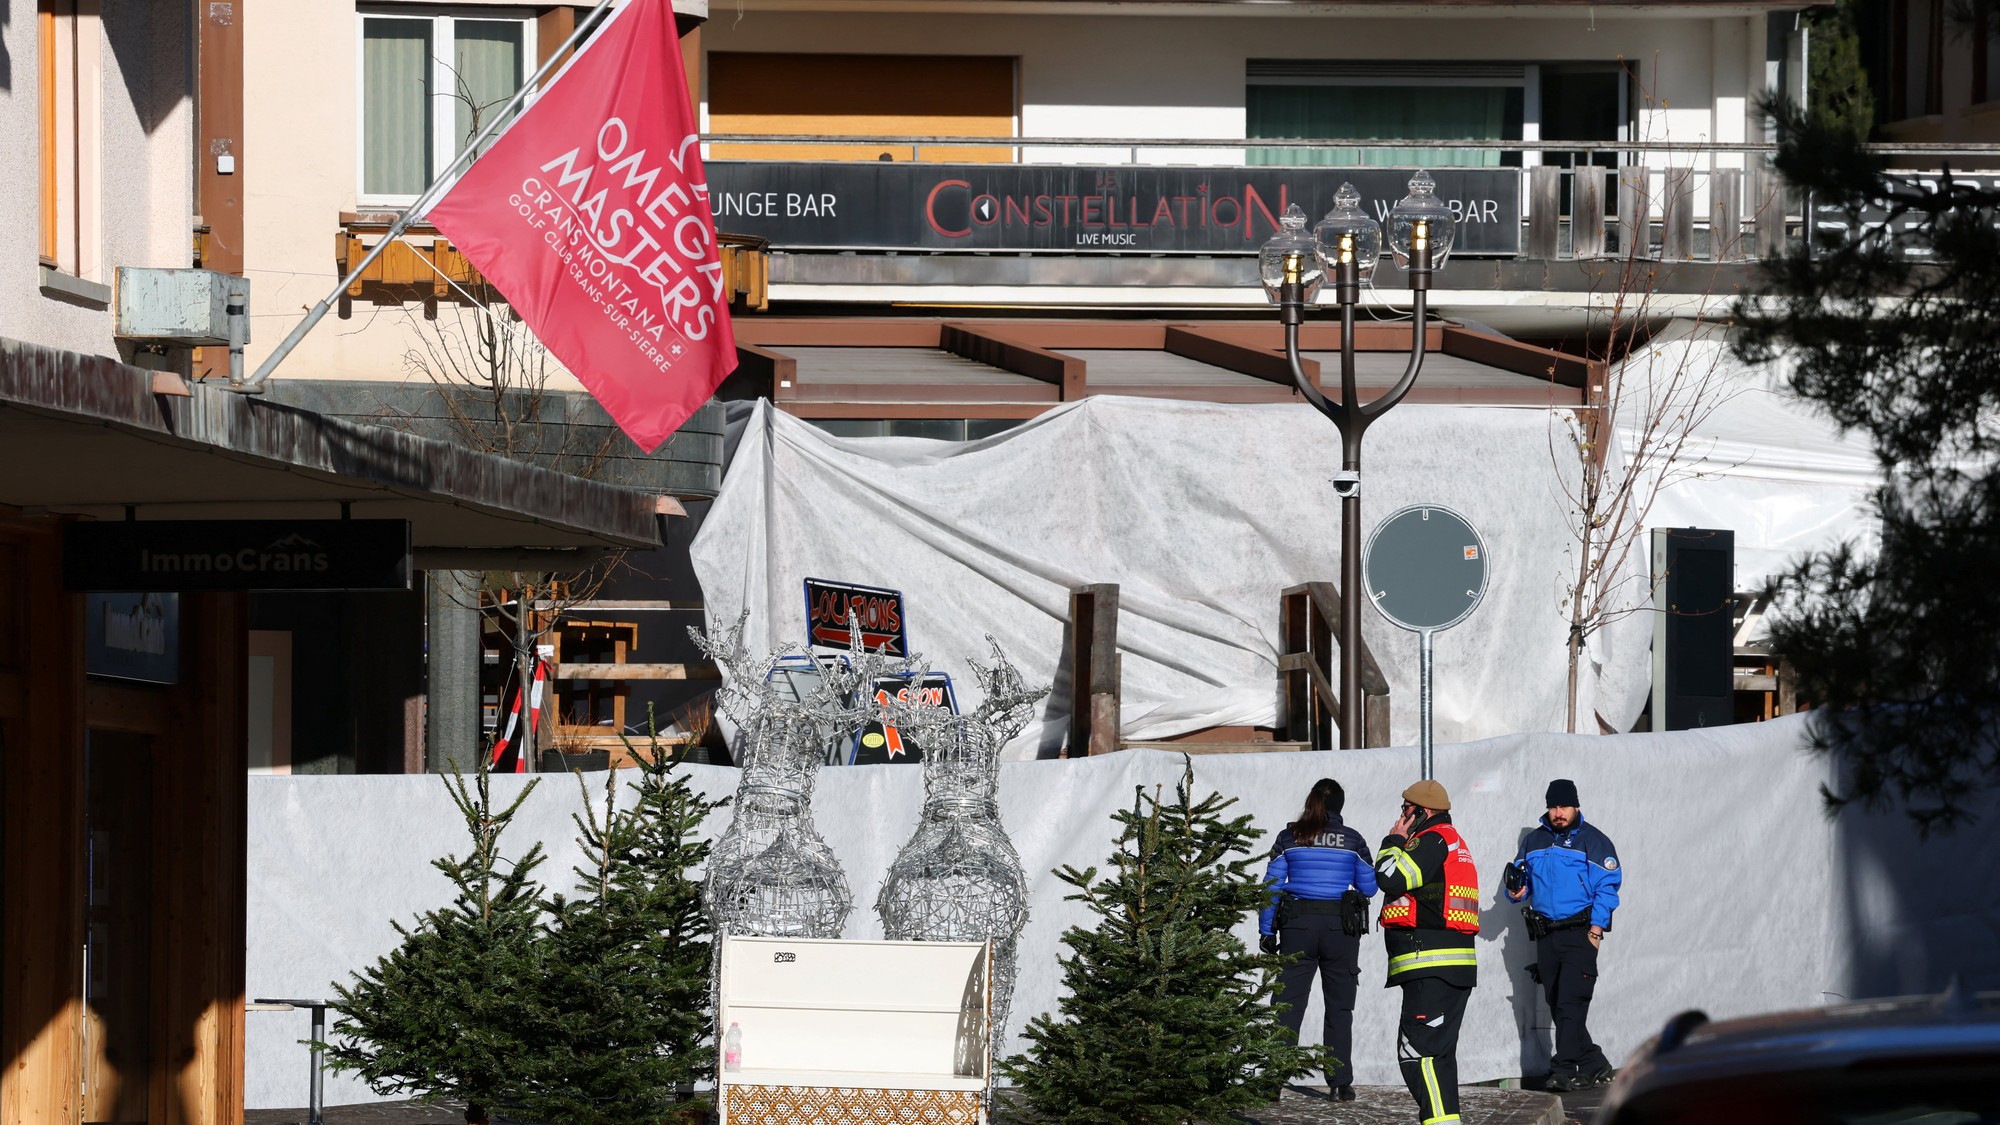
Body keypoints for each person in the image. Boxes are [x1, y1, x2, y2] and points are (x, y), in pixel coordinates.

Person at [1258, 778, 1377, 1100]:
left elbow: (1270, 886)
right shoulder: (1353, 840)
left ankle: (1272, 1082)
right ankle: (1340, 1084)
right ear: (1340, 805)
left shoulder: (1290, 837)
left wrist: (1266, 930)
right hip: (1340, 928)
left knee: (1287, 1006)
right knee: (1339, 1007)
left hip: (1297, 926)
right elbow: (1368, 888)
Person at [1506, 778, 1621, 1091]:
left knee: (1571, 1003)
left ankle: (1562, 1069)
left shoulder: (1593, 840)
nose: (1558, 813)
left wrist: (1596, 930)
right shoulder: (1535, 841)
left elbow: (1607, 888)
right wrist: (1516, 890)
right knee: (1559, 1004)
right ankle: (1595, 1064)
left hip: (1580, 932)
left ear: (1576, 806)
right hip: (1545, 935)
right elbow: (1522, 882)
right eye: (1553, 806)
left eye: (1564, 807)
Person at [1374, 779, 1478, 1125]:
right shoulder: (1451, 841)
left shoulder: (1431, 840)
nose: (1402, 816)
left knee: (1419, 1055)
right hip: (1448, 966)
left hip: (1431, 964)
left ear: (1424, 811)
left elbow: (1390, 877)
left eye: (1406, 810)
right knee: (1438, 1057)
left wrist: (1394, 841)